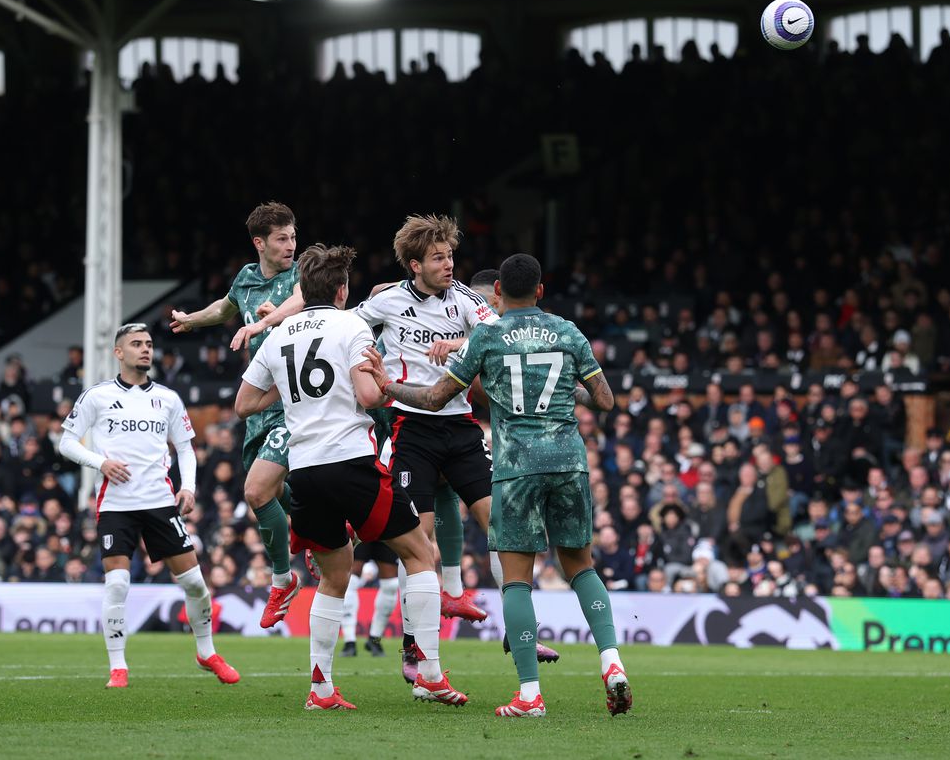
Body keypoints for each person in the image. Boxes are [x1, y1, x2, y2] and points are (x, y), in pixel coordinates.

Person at [363, 253, 631, 718]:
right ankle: (611, 662)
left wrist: (387, 387)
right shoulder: (568, 332)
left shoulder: (487, 336)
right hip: (569, 461)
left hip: (517, 467)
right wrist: (570, 389)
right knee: (581, 568)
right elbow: (604, 401)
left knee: (517, 582)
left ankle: (529, 695)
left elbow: (431, 397)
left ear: (499, 294)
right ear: (542, 290)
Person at [235, 244, 466, 710]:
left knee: (334, 576)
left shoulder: (278, 336)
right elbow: (367, 395)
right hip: (350, 461)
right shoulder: (352, 325)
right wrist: (382, 384)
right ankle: (432, 675)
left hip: (304, 470)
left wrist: (290, 398)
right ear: (342, 290)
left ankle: (321, 690)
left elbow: (244, 404)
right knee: (421, 554)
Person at [59, 322, 239, 689]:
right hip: (116, 504)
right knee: (117, 586)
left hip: (160, 501)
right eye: (136, 343)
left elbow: (186, 448)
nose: (145, 349)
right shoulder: (97, 396)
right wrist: (101, 462)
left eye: (149, 344)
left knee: (195, 585)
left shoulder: (169, 398)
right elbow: (66, 442)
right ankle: (118, 667)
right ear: (118, 352)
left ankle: (206, 652)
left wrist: (188, 487)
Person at [169, 201, 302, 628]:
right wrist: (192, 320)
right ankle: (311, 532)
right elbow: (226, 309)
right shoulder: (246, 278)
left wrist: (264, 324)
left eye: (293, 236)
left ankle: (282, 579)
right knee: (273, 495)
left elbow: (303, 301)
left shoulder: (301, 275)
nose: (290, 245)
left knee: (257, 492)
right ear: (259, 243)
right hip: (258, 406)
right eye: (282, 239)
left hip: (296, 403)